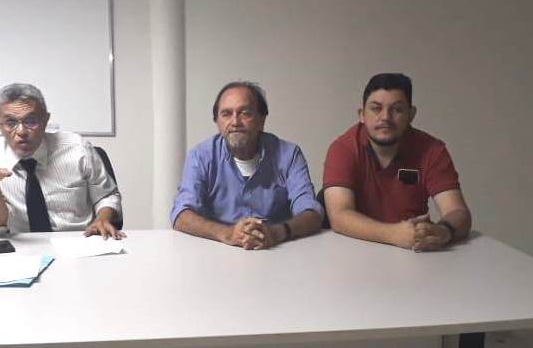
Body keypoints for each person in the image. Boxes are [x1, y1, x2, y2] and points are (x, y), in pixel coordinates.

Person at [322, 73, 472, 251]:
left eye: (397, 109)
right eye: (376, 108)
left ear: (411, 114)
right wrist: (393, 234)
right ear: (362, 115)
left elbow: (458, 212)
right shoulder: (343, 149)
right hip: (354, 249)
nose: (385, 117)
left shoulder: (432, 150)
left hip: (412, 252)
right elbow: (339, 216)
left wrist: (443, 231)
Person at [170, 81, 323, 249]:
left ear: (261, 120)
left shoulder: (289, 154)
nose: (235, 121)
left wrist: (276, 232)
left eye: (245, 113)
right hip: (218, 252)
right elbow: (181, 215)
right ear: (217, 122)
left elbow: (312, 213)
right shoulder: (200, 156)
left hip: (277, 252)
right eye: (226, 114)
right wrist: (228, 234)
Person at [0, 83, 123, 238]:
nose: (21, 131)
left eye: (31, 121)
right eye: (10, 122)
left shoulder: (77, 148)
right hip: (22, 246)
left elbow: (107, 196)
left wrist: (102, 219)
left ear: (45, 120)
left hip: (78, 240)